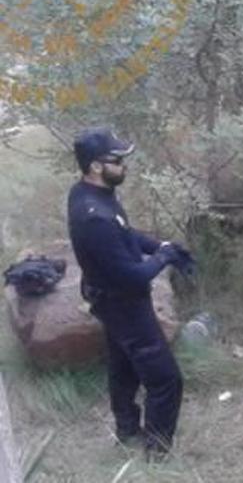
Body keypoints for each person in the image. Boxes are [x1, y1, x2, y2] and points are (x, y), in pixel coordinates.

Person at [67, 127, 190, 459]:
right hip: (124, 304)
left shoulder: (89, 194)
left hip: (109, 299)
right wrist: (163, 259)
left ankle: (127, 430)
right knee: (166, 381)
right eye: (117, 160)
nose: (124, 165)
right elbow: (133, 277)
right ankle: (157, 453)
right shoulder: (94, 218)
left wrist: (160, 246)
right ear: (96, 166)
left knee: (122, 366)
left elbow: (125, 234)